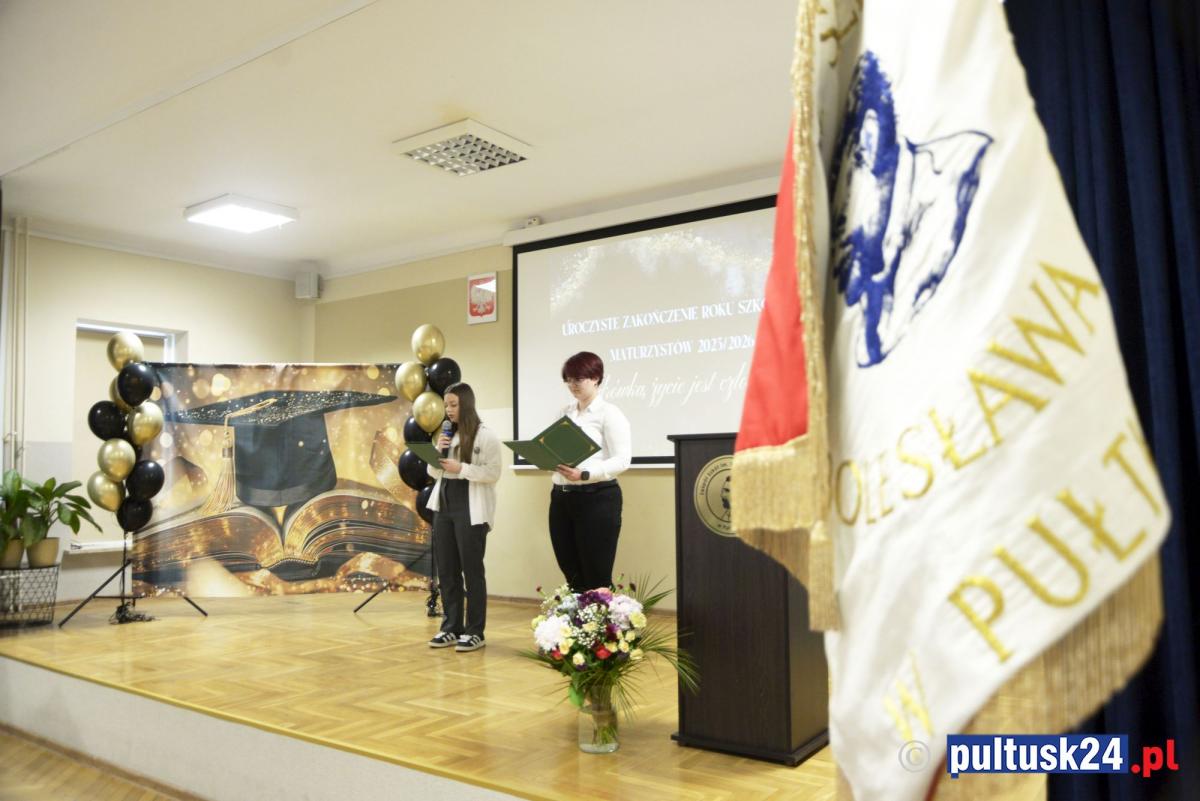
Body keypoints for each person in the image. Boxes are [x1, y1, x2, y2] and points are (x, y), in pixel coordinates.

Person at [425, 383, 501, 652]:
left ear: (466, 404)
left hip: (470, 506)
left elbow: (493, 473)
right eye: (446, 405)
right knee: (447, 570)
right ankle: (451, 627)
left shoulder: (486, 436)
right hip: (444, 503)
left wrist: (462, 468)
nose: (448, 410)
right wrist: (437, 453)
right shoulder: (446, 434)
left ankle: (475, 631)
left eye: (453, 404)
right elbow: (433, 473)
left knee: (472, 570)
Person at [549, 352, 632, 591]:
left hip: (597, 498)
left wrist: (585, 473)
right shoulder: (565, 413)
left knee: (596, 573)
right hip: (562, 497)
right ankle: (576, 615)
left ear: (596, 378)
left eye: (578, 379)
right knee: (570, 571)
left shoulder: (609, 413)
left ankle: (600, 615)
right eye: (568, 380)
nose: (572, 385)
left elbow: (622, 460)